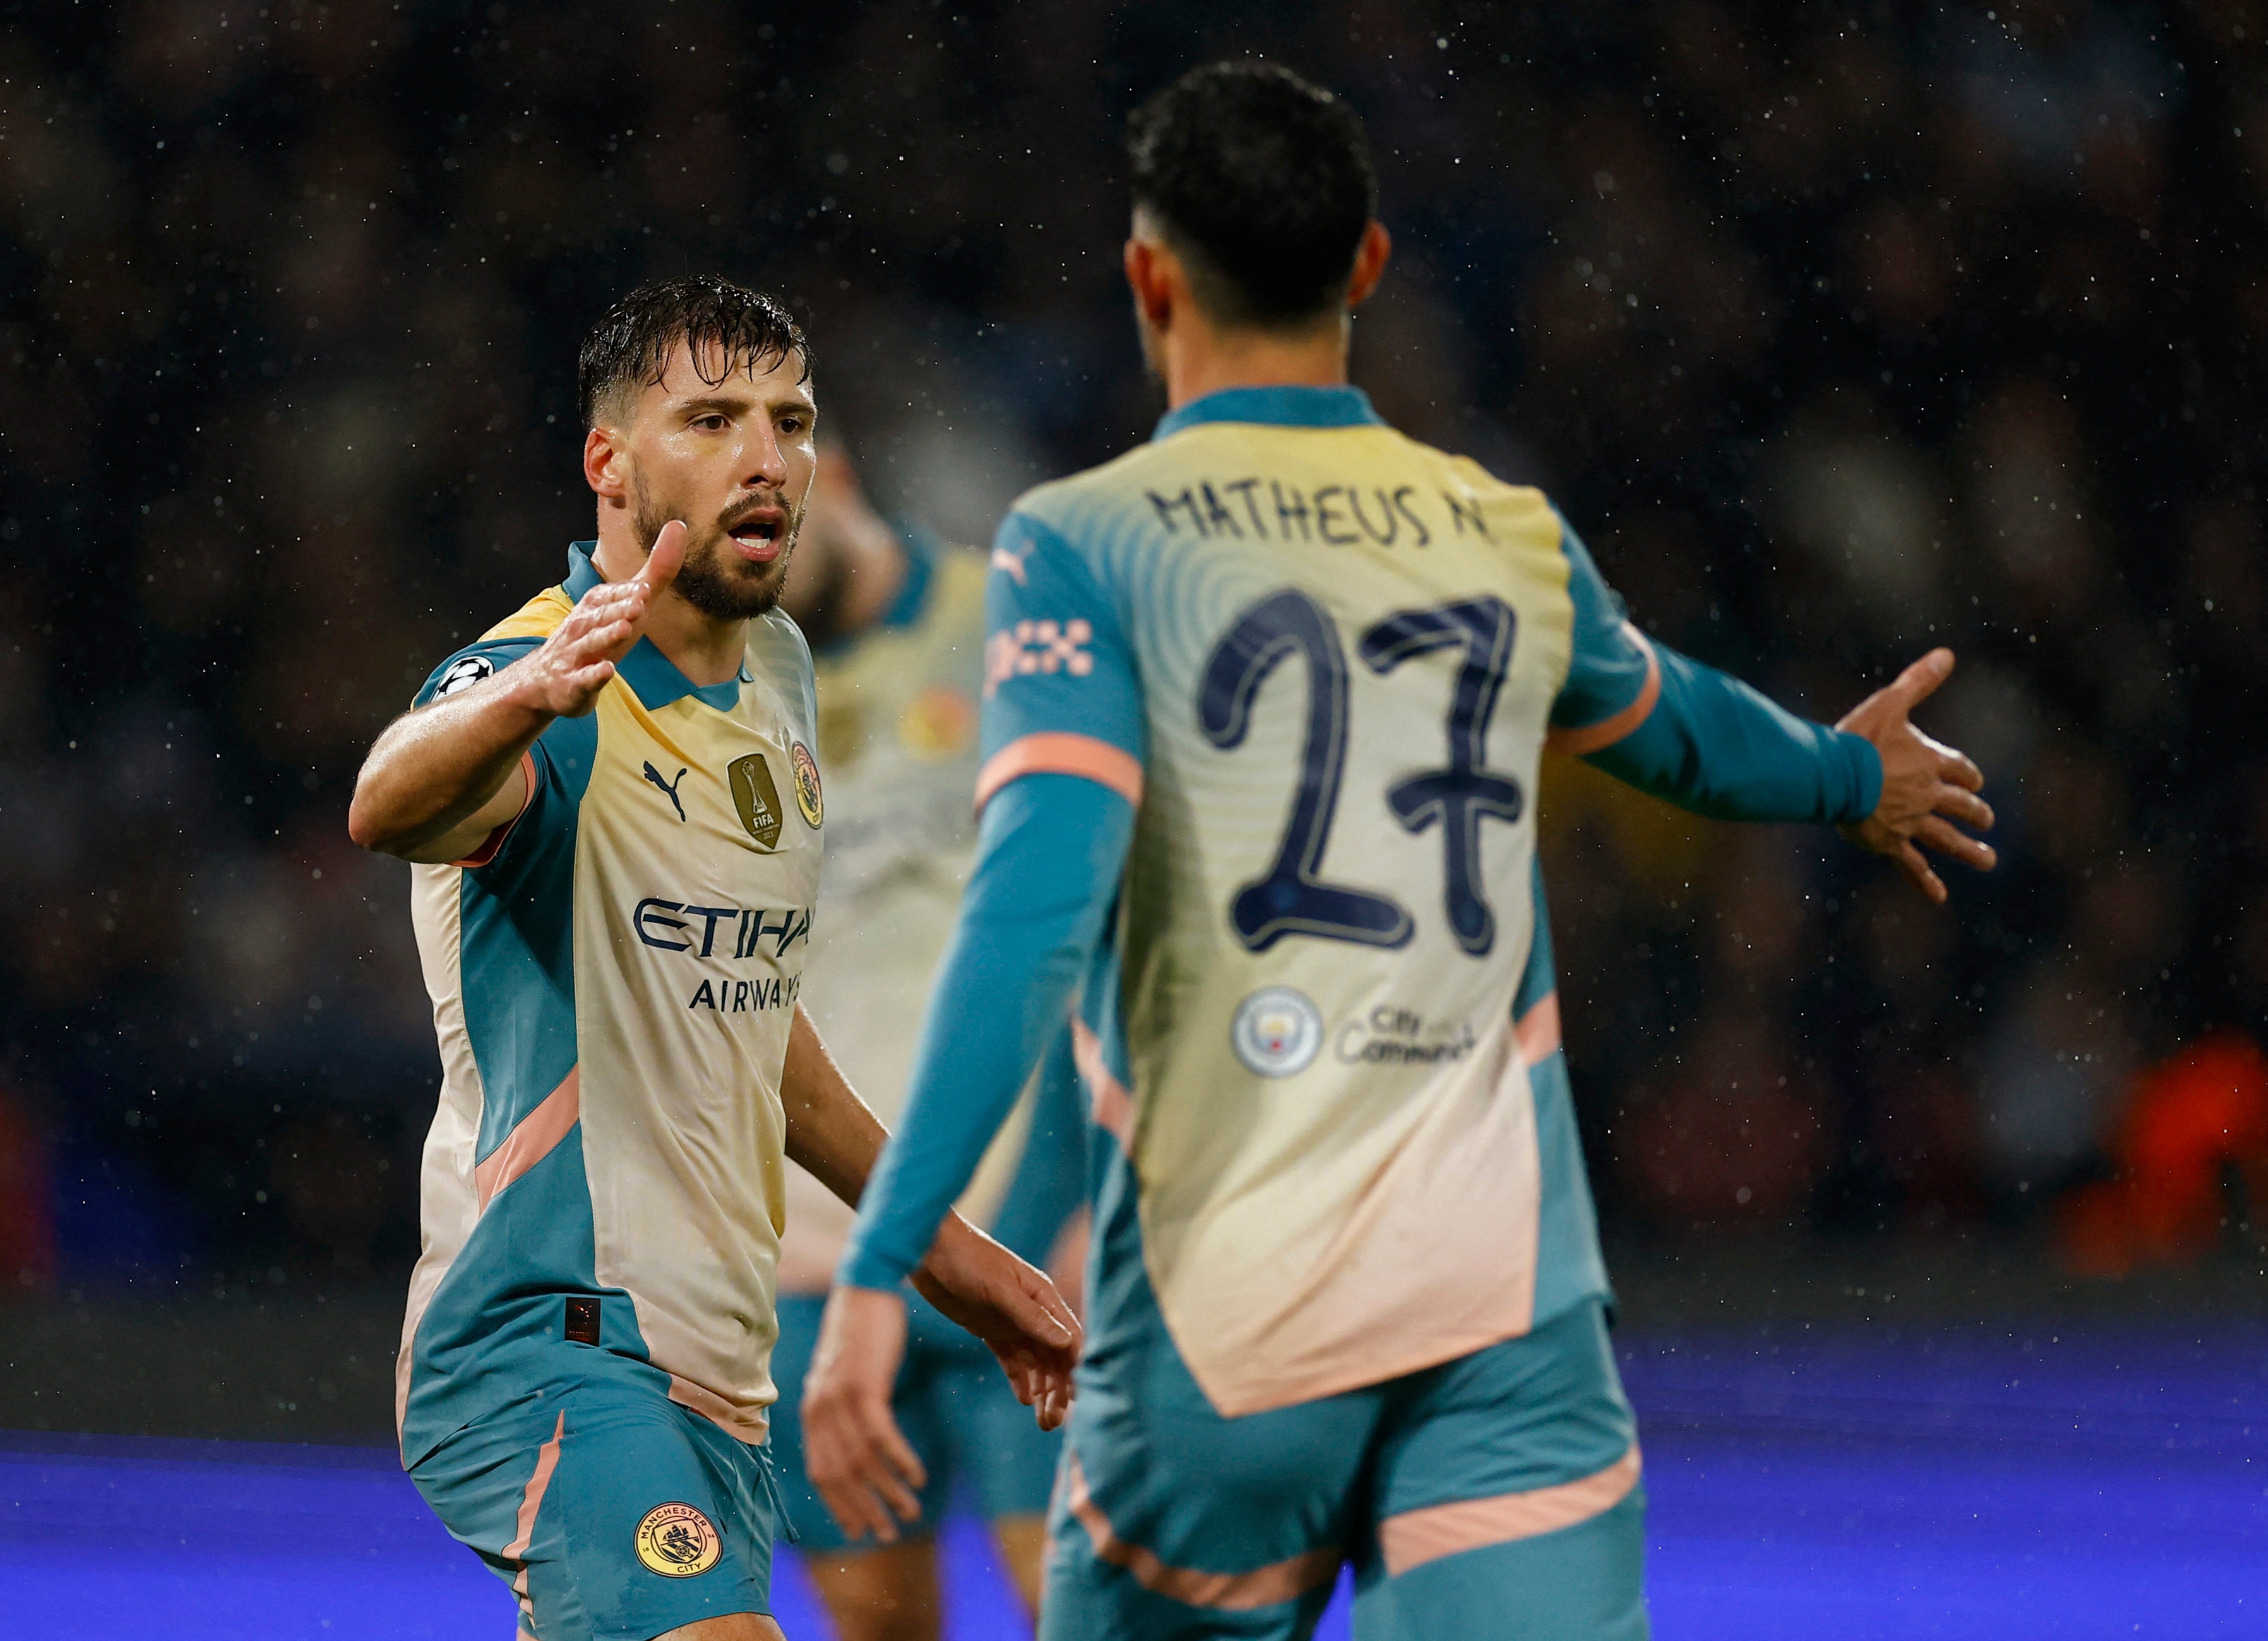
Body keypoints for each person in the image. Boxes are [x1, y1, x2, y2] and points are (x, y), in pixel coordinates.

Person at [799, 63, 1996, 1641]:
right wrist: (1849, 773)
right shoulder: (1500, 530)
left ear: (1150, 280)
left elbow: (1029, 916)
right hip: (1495, 1322)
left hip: (1227, 1321)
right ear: (1365, 269)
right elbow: (1672, 721)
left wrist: (885, 1266)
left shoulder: (1086, 544)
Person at [345, 274, 1078, 1641]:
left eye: (789, 421)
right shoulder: (540, 686)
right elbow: (391, 800)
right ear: (608, 465)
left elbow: (764, 1038)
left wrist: (947, 1256)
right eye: (711, 419)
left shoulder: (778, 676)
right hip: (551, 1345)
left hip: (717, 1365)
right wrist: (522, 697)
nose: (765, 457)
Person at [770, 446, 1088, 1638]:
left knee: (1083, 1610)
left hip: (1019, 1228)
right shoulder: (716, 681)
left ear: (835, 473)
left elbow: (1105, 922)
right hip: (803, 1261)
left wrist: (1095, 1192)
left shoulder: (1012, 624)